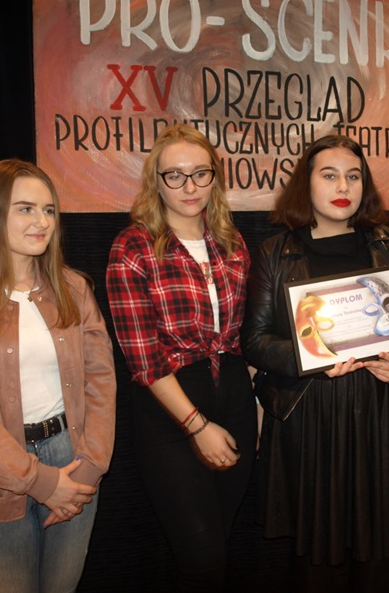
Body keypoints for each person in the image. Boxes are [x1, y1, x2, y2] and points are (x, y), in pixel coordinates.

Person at [241, 134, 389, 592]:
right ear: (307, 184)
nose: (344, 186)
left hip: (377, 414)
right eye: (330, 175)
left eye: (354, 176)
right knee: (317, 563)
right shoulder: (275, 252)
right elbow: (254, 342)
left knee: (377, 552)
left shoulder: (386, 242)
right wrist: (311, 358)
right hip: (311, 418)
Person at [106, 123, 257, 592]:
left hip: (235, 397)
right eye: (175, 175)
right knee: (202, 557)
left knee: (220, 546)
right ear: (156, 181)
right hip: (170, 409)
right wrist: (196, 426)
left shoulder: (232, 243)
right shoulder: (133, 247)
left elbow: (246, 335)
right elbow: (143, 359)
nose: (189, 187)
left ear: (215, 177)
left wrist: (256, 404)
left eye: (200, 173)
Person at [0, 159, 116, 593]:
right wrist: (40, 482)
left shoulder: (73, 288)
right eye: (25, 209)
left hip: (73, 456)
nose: (42, 222)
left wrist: (90, 469)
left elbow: (100, 381)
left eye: (49, 210)